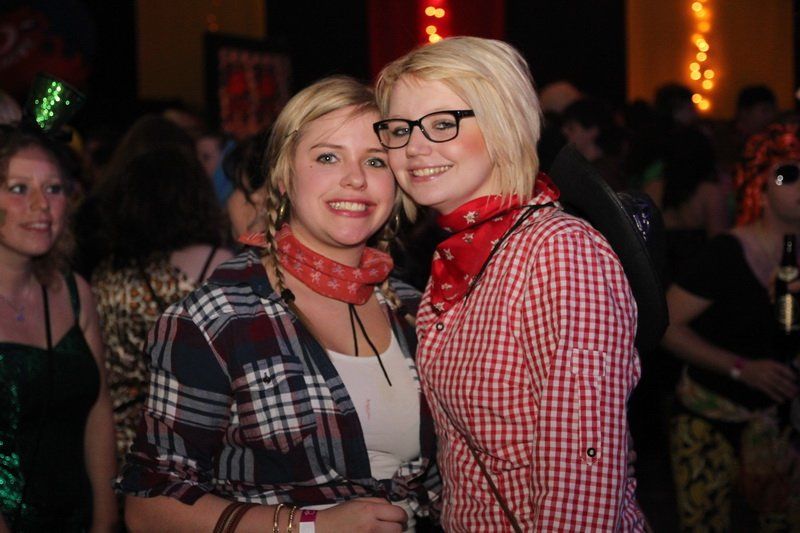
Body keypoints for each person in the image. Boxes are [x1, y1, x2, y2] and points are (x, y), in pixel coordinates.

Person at [118, 76, 440, 533]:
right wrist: (308, 526)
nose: (356, 178)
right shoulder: (216, 319)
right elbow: (149, 506)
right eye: (328, 157)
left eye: (376, 160)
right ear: (285, 175)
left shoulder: (416, 310)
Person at [374, 36, 644, 531]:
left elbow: (582, 486)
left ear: (504, 124)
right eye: (399, 128)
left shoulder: (559, 252)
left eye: (442, 124)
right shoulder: (460, 256)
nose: (413, 147)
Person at [662, 122, 800, 530]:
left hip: (783, 424)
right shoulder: (726, 253)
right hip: (710, 417)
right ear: (760, 186)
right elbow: (666, 326)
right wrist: (742, 368)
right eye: (788, 174)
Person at [0, 126, 117, 530]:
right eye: (18, 189)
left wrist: (104, 522)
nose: (41, 205)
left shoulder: (74, 292)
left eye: (53, 189)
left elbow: (99, 411)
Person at [91, 148, 233, 467]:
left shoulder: (104, 275)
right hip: (193, 441)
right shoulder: (216, 264)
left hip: (120, 442)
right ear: (195, 197)